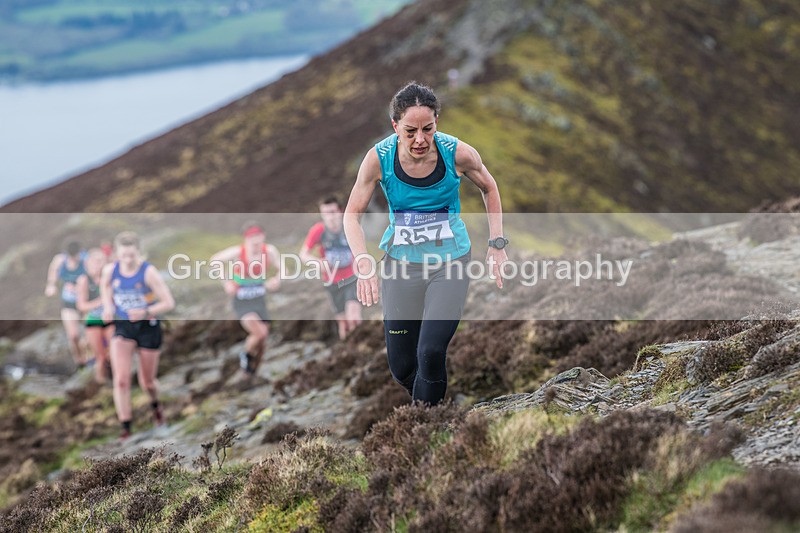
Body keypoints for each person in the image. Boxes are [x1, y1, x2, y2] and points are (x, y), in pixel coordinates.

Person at [343, 81, 508, 405]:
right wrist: (363, 262)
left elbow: (489, 187)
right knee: (403, 367)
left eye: (428, 129)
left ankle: (427, 427)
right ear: (395, 126)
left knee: (431, 350)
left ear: (436, 124)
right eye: (410, 131)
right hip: (401, 265)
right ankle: (438, 407)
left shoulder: (458, 153)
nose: (420, 139)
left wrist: (497, 244)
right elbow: (352, 215)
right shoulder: (379, 159)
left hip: (450, 263)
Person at [101, 232, 175, 440]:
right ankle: (126, 427)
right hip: (124, 327)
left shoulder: (148, 272)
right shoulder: (110, 270)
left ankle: (156, 407)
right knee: (122, 380)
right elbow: (105, 288)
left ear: (138, 253)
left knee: (147, 382)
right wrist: (108, 305)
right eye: (123, 255)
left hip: (148, 327)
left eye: (131, 255)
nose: (128, 260)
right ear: (117, 254)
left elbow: (169, 303)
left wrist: (145, 311)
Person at [210, 222, 280, 381]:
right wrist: (226, 282)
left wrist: (277, 280)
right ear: (245, 239)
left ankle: (253, 373)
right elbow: (215, 261)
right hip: (242, 302)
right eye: (251, 238)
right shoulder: (237, 252)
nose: (255, 241)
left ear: (263, 236)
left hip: (259, 301)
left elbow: (282, 268)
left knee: (262, 343)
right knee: (261, 332)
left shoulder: (269, 251)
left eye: (258, 237)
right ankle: (245, 356)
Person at [300, 196, 363, 339]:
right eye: (326, 213)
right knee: (343, 323)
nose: (330, 217)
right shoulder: (318, 231)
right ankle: (345, 350)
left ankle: (356, 343)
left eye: (333, 212)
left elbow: (362, 249)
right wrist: (317, 262)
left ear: (340, 211)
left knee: (354, 316)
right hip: (331, 281)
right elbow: (303, 254)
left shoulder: (350, 226)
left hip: (352, 278)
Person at [44, 240, 88, 369]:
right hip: (69, 303)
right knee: (73, 336)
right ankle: (79, 361)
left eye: (76, 256)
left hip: (85, 302)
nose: (74, 259)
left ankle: (89, 356)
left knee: (89, 335)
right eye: (71, 256)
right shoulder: (60, 260)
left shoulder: (86, 259)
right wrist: (51, 285)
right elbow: (53, 271)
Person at [76, 248, 114, 384]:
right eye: (95, 262)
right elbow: (81, 305)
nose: (99, 265)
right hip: (93, 321)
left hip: (110, 320)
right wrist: (99, 302)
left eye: (101, 261)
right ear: (88, 264)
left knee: (114, 352)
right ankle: (101, 384)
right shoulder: (84, 280)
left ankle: (118, 380)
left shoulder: (110, 277)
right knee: (101, 357)